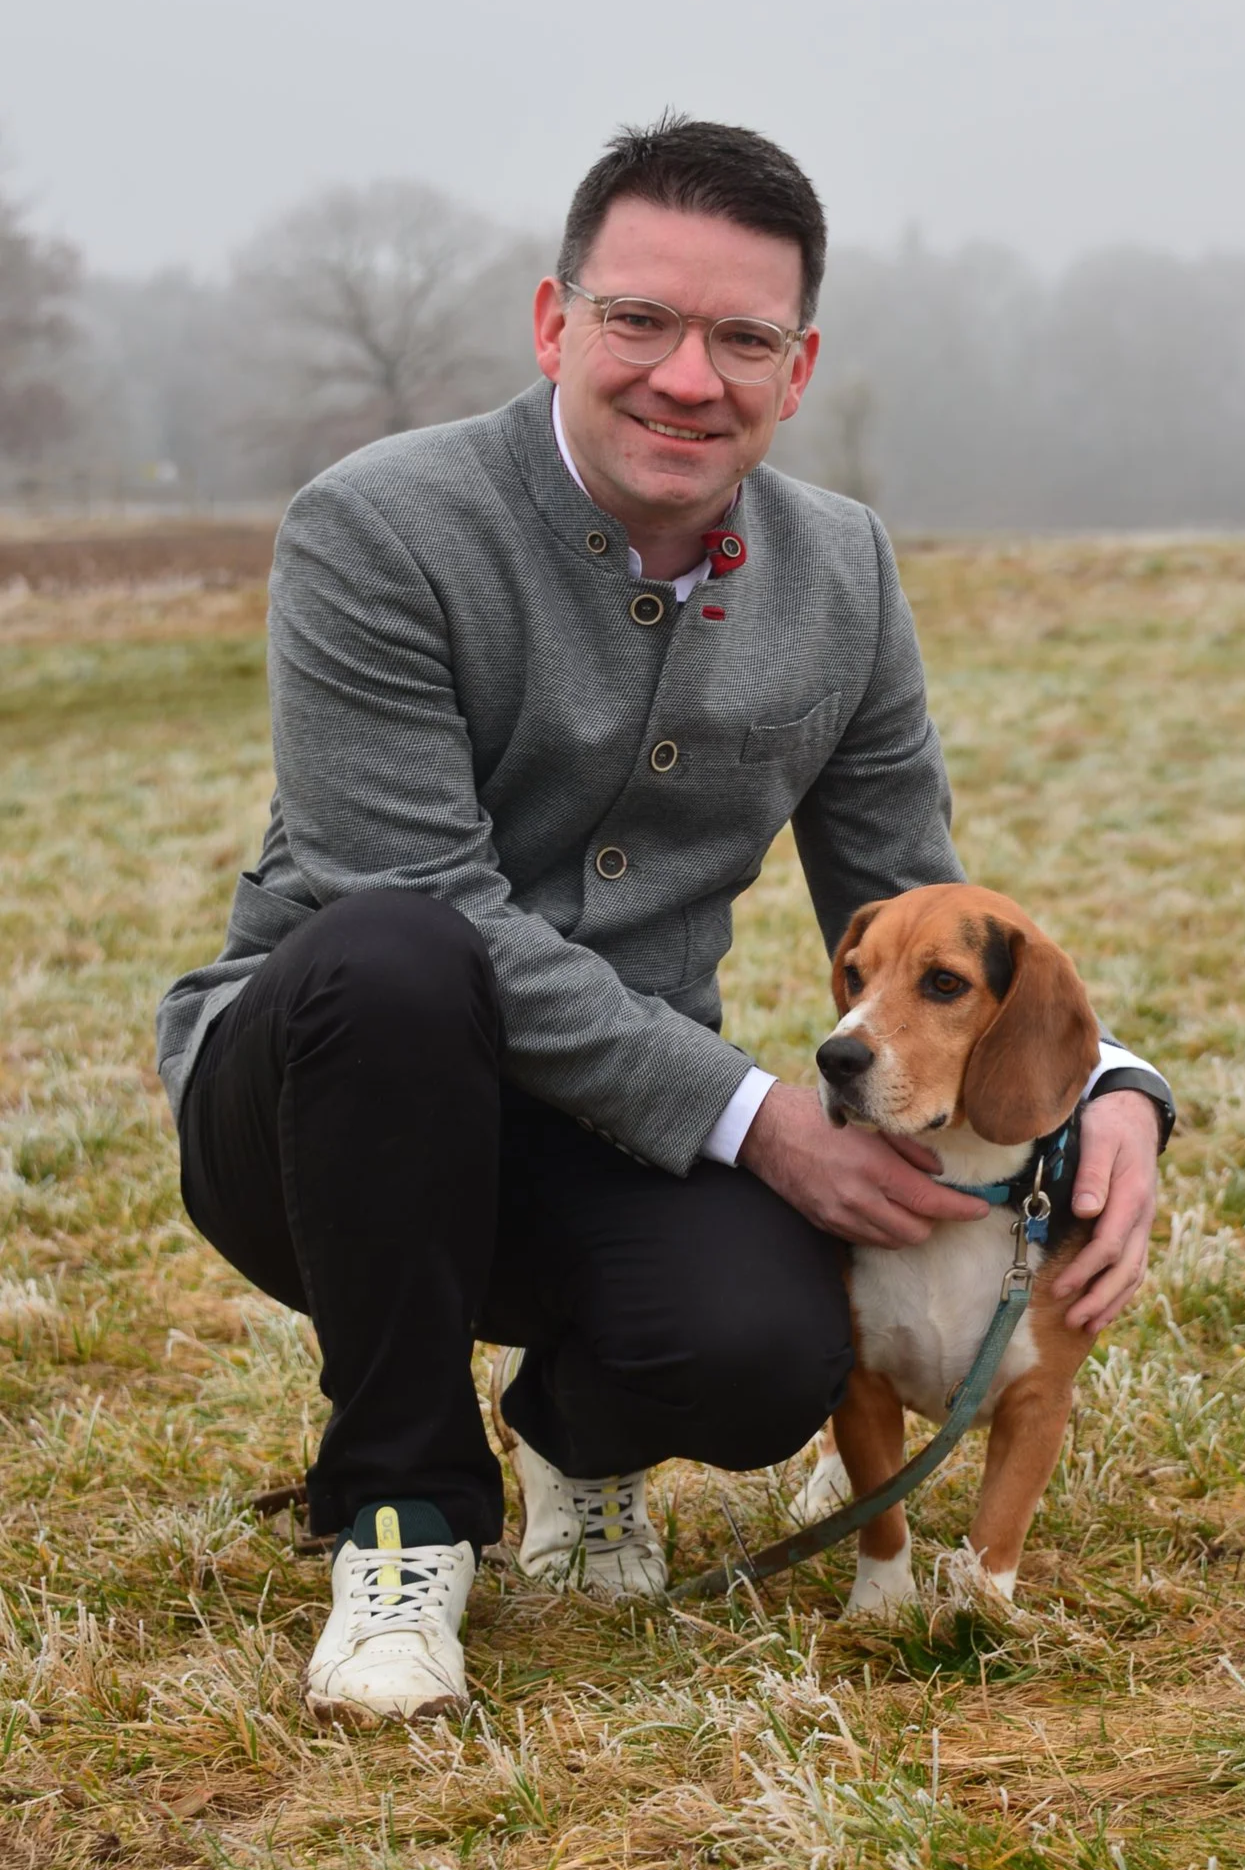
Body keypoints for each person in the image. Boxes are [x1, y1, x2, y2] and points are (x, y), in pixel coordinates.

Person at [156, 116, 1173, 1725]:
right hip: (317, 1102)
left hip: (609, 1126)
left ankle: (577, 1436)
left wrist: (1112, 1085)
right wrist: (757, 1115)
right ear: (556, 322)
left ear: (799, 362)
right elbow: (411, 888)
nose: (687, 376)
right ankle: (404, 1520)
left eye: (741, 337)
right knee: (402, 949)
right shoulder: (373, 526)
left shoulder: (841, 568)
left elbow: (912, 894)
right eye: (640, 320)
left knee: (770, 1346)